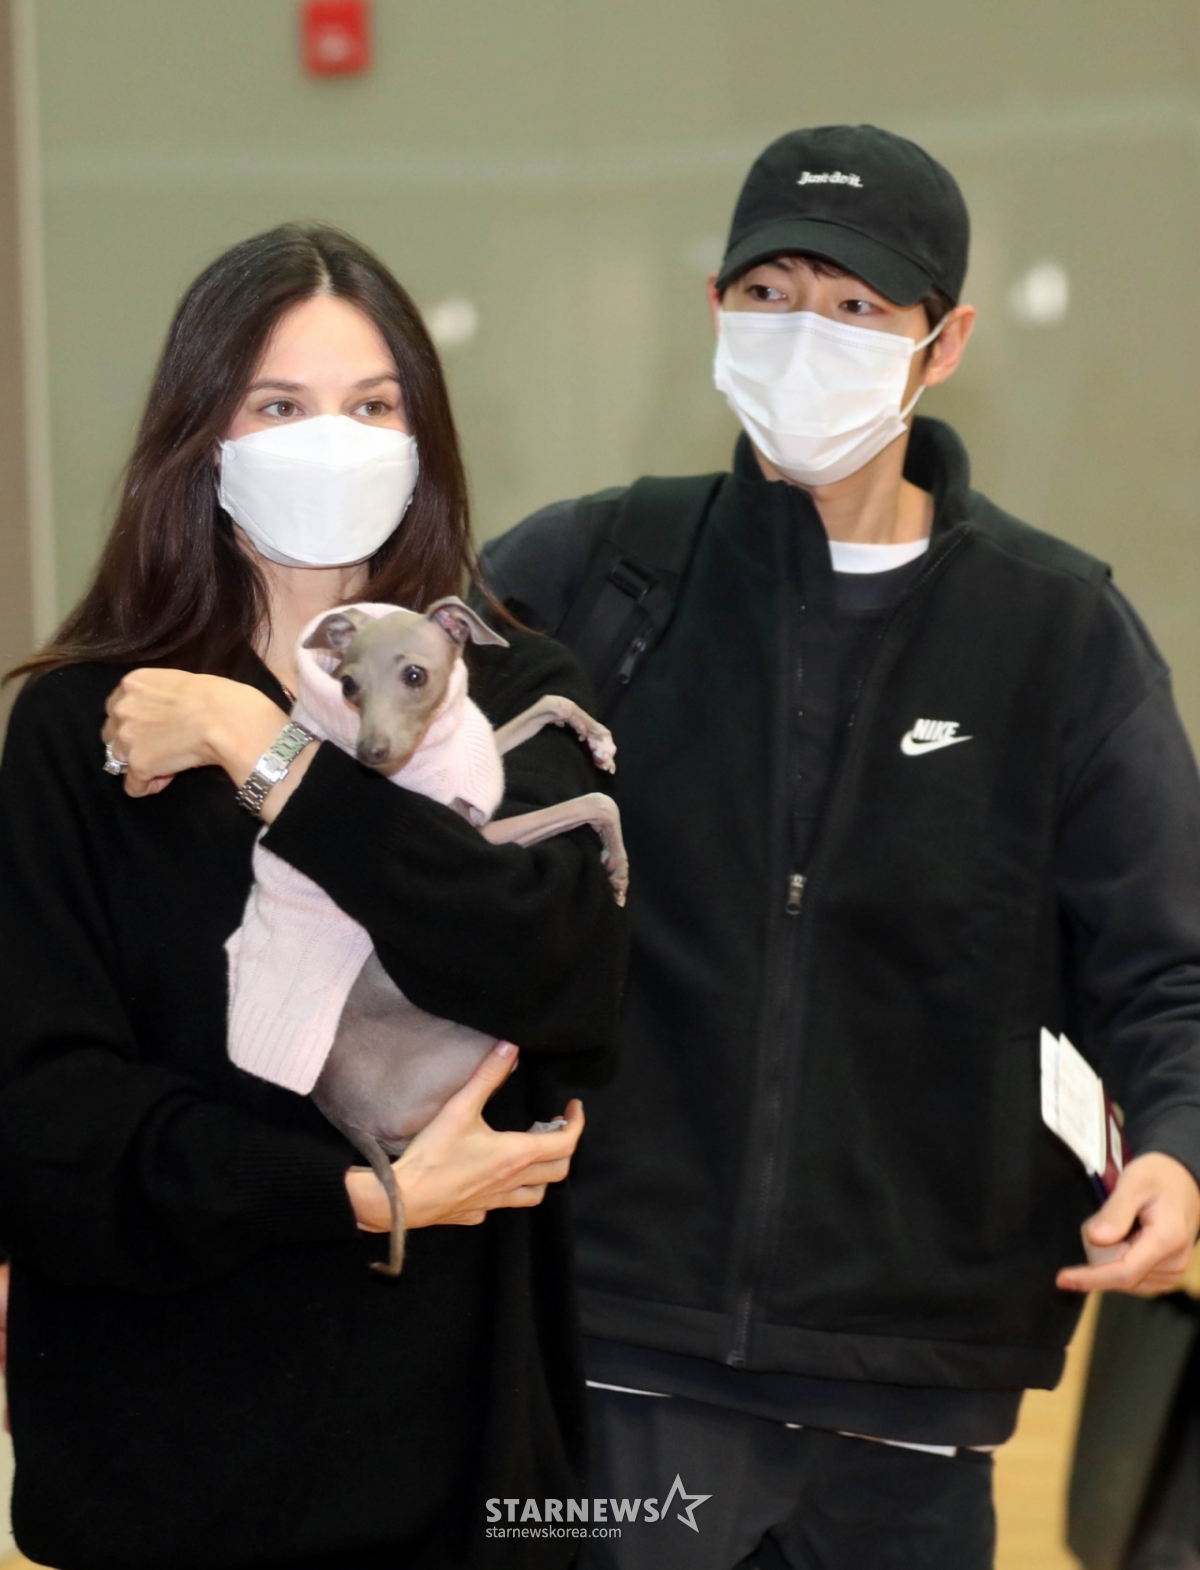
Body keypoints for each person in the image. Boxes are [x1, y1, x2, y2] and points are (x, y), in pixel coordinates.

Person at [480, 124, 1200, 1570]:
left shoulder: (1057, 631)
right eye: (772, 292)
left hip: (913, 1397)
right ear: (716, 309)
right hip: (616, 1353)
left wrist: (1184, 1151)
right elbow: (411, 843)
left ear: (944, 344)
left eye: (860, 306)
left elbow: (1162, 965)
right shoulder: (596, 574)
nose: (806, 334)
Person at [0, 223, 624, 1570]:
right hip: (155, 1483)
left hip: (457, 1484)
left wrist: (271, 754)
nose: (329, 439)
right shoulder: (83, 729)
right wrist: (347, 1193)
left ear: (423, 437)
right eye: (279, 406)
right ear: (202, 438)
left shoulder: (515, 695)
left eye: (373, 405)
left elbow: (560, 984)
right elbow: (48, 1128)